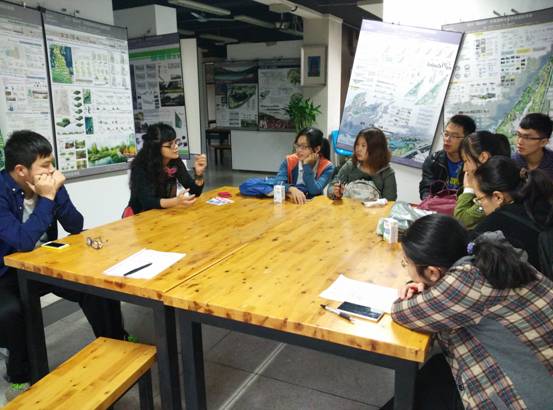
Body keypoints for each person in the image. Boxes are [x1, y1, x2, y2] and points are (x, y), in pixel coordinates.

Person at [0, 131, 126, 400]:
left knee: (94, 285)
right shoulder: (1, 192)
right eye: (45, 165)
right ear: (21, 170)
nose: (51, 171)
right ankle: (20, 372)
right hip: (6, 271)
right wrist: (46, 199)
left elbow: (75, 224)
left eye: (51, 163)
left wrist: (54, 195)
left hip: (45, 262)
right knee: (11, 311)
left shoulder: (50, 184)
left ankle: (117, 342)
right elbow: (22, 241)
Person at [389, 214, 553, 410]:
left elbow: (401, 313)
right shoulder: (495, 255)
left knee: (422, 385)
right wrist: (429, 286)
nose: (406, 268)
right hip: (539, 372)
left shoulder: (466, 281)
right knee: (435, 370)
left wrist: (420, 289)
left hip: (525, 399)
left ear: (432, 272)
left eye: (406, 263)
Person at [471, 156, 553, 272]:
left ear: (498, 197)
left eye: (479, 199)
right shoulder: (543, 203)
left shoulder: (492, 227)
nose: (480, 205)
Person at [128, 123, 206, 214]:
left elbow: (195, 192)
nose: (176, 147)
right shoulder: (141, 166)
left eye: (176, 142)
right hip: (140, 214)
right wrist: (176, 201)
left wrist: (199, 174)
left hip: (164, 213)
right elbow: (148, 202)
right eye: (170, 145)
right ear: (156, 148)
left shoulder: (174, 161)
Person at [453, 131, 511, 229]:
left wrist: (468, 189)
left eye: (466, 161)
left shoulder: (494, 187)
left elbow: (461, 220)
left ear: (483, 157)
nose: (464, 168)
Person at [327, 127, 397, 201]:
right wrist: (336, 192)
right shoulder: (351, 165)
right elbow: (330, 188)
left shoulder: (387, 173)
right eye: (357, 144)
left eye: (363, 146)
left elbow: (390, 203)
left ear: (376, 149)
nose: (358, 149)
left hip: (375, 209)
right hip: (349, 207)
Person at [419, 114, 476, 199]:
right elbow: (425, 188)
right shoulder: (433, 160)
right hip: (437, 205)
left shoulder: (475, 164)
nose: (447, 139)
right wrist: (431, 200)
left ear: (467, 139)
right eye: (446, 134)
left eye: (454, 136)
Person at [274, 127, 334, 204]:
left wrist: (307, 166)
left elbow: (314, 190)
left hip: (314, 205)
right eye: (297, 145)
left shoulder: (327, 167)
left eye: (304, 147)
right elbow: (277, 182)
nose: (299, 150)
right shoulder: (289, 161)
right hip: (291, 204)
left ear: (317, 149)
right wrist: (292, 189)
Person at [512, 112, 553, 179]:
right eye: (519, 135)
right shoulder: (512, 162)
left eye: (527, 137)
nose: (519, 142)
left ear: (543, 142)